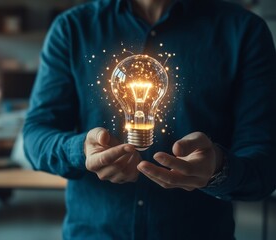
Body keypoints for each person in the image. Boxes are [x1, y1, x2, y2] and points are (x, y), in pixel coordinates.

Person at [23, 0, 276, 239]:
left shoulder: (243, 31)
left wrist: (217, 169)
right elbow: (35, 138)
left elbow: (265, 165)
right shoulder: (72, 28)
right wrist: (81, 150)